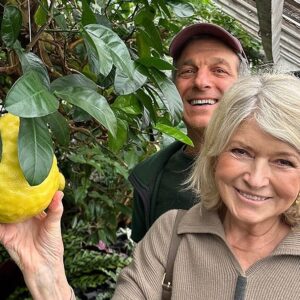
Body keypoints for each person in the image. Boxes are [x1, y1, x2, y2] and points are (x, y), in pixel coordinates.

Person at [112, 73, 300, 299]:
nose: (256, 179)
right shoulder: (172, 235)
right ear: (214, 154)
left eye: (284, 162)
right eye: (240, 151)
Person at [129, 22, 249, 242]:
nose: (201, 82)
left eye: (219, 70)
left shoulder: (277, 174)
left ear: (244, 86)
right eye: (188, 71)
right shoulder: (149, 178)